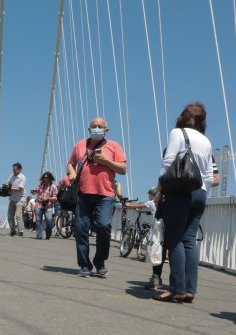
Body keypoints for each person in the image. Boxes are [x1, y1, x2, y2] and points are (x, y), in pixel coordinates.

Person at [153, 103, 214, 303]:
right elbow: (208, 176)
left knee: (175, 239)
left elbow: (168, 163)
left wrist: (160, 191)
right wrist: (201, 193)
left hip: (180, 193)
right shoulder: (206, 141)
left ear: (182, 117)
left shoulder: (177, 133)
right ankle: (190, 289)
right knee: (189, 240)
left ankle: (177, 288)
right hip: (200, 193)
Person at [67, 117, 127, 277]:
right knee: (80, 229)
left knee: (103, 226)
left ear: (106, 130)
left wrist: (106, 161)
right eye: (94, 126)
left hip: (105, 195)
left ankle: (100, 261)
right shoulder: (79, 145)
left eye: (100, 126)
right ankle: (84, 265)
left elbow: (123, 169)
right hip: (83, 194)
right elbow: (70, 163)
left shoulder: (114, 146)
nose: (97, 128)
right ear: (88, 129)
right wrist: (72, 172)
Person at [124, 187, 163, 289]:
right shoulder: (162, 201)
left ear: (152, 195)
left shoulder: (151, 202)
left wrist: (128, 205)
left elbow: (139, 205)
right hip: (164, 226)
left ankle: (156, 278)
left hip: (157, 229)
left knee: (155, 250)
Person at [31, 171, 58, 239]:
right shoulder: (40, 184)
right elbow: (36, 191)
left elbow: (56, 197)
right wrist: (33, 192)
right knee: (38, 220)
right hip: (39, 204)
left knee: (48, 220)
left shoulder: (53, 186)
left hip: (48, 206)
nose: (45, 179)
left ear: (50, 178)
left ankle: (48, 234)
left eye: (46, 178)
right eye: (44, 177)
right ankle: (39, 235)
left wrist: (48, 198)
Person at [5, 162, 27, 236]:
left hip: (20, 199)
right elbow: (7, 184)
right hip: (12, 199)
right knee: (10, 216)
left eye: (15, 169)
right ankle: (13, 231)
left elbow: (20, 189)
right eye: (13, 169)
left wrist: (10, 189)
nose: (14, 171)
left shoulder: (22, 177)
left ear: (20, 169)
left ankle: (20, 231)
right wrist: (5, 187)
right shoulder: (12, 176)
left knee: (18, 216)